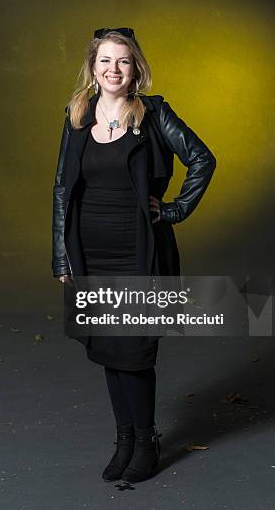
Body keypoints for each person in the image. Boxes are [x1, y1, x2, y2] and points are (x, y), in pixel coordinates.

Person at [52, 27, 216, 483]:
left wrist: (175, 209)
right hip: (90, 252)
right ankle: (123, 439)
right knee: (108, 347)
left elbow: (203, 158)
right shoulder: (78, 114)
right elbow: (63, 187)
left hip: (138, 252)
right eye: (105, 60)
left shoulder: (154, 113)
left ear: (136, 68)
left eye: (122, 61)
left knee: (135, 350)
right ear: (93, 66)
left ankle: (146, 440)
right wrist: (62, 258)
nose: (113, 69)